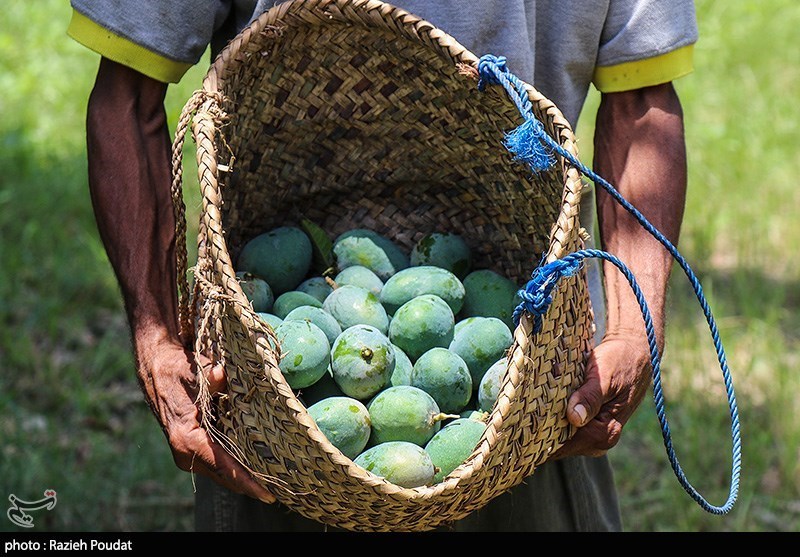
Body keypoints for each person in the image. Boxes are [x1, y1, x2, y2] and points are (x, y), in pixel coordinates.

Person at [67, 0, 697, 532]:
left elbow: (641, 99)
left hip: (534, 384)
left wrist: (635, 329)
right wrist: (155, 334)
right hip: (268, 406)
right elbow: (129, 92)